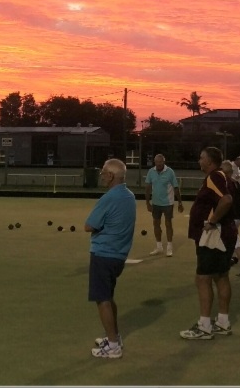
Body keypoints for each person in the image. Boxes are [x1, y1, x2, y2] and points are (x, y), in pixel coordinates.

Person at [180, 146, 238, 340]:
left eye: (201, 158)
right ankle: (222, 322)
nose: (199, 161)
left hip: (214, 236)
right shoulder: (224, 177)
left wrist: (212, 222)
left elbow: (227, 200)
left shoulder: (214, 177)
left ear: (210, 162)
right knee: (221, 276)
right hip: (225, 233)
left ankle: (204, 326)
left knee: (203, 278)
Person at [85, 157, 137, 359]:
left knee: (103, 299)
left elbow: (89, 225)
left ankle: (113, 346)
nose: (101, 175)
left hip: (104, 253)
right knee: (108, 296)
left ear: (111, 176)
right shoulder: (129, 195)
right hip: (119, 255)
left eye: (104, 172)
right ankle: (114, 336)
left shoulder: (109, 198)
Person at [144, 154, 182, 257]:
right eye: (157, 162)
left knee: (168, 224)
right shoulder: (151, 172)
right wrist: (147, 202)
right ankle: (159, 246)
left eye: (161, 162)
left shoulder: (170, 172)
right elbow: (147, 187)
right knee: (156, 224)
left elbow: (175, 187)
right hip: (156, 203)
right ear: (155, 162)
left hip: (168, 203)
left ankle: (169, 247)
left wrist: (179, 202)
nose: (159, 164)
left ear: (164, 162)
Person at [222, 159, 240, 277]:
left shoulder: (227, 184)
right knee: (230, 239)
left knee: (233, 240)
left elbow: (226, 202)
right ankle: (228, 262)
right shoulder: (234, 182)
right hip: (238, 216)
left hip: (233, 216)